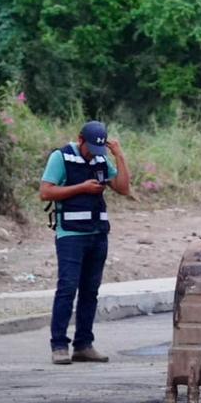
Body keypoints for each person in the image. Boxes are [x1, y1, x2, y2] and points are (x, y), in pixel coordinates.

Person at [39, 121, 131, 365]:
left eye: (98, 149)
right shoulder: (61, 157)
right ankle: (59, 345)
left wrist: (119, 156)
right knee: (67, 288)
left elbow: (123, 188)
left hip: (98, 233)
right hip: (70, 234)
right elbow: (46, 192)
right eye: (90, 148)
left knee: (90, 291)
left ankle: (83, 345)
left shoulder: (101, 159)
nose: (93, 153)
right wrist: (81, 188)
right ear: (80, 139)